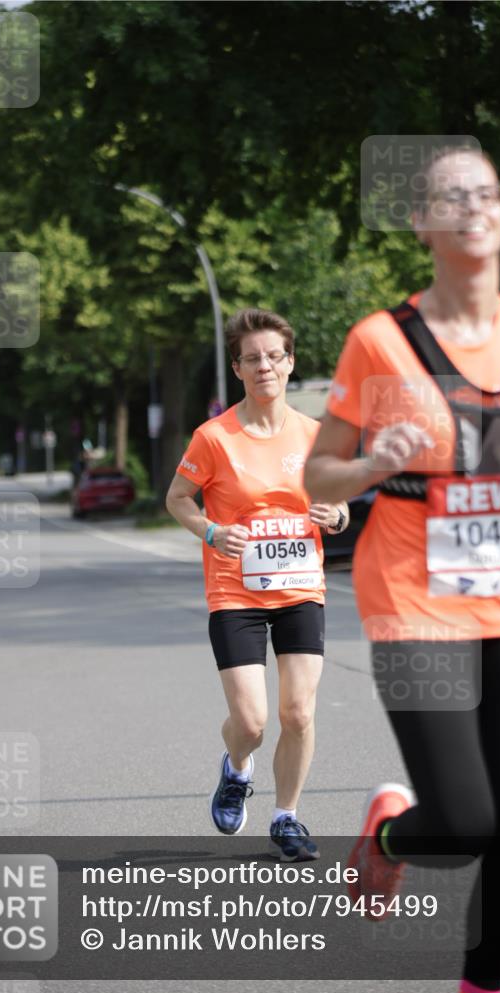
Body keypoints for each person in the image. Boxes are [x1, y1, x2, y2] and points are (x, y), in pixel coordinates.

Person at [305, 147, 500, 993]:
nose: (471, 207)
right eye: (450, 197)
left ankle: (477, 991)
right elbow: (317, 477)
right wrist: (373, 462)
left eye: (485, 194)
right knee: (463, 822)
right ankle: (388, 837)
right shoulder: (380, 341)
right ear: (421, 224)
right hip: (413, 596)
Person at [166, 308, 349, 861]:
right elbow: (177, 499)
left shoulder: (316, 436)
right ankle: (237, 768)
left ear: (290, 363)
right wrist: (212, 531)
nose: (264, 366)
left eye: (274, 356)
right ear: (238, 369)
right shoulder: (213, 438)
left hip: (299, 588)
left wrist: (336, 517)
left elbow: (339, 506)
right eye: (253, 358)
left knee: (298, 713)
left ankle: (286, 818)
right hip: (236, 591)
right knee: (250, 722)